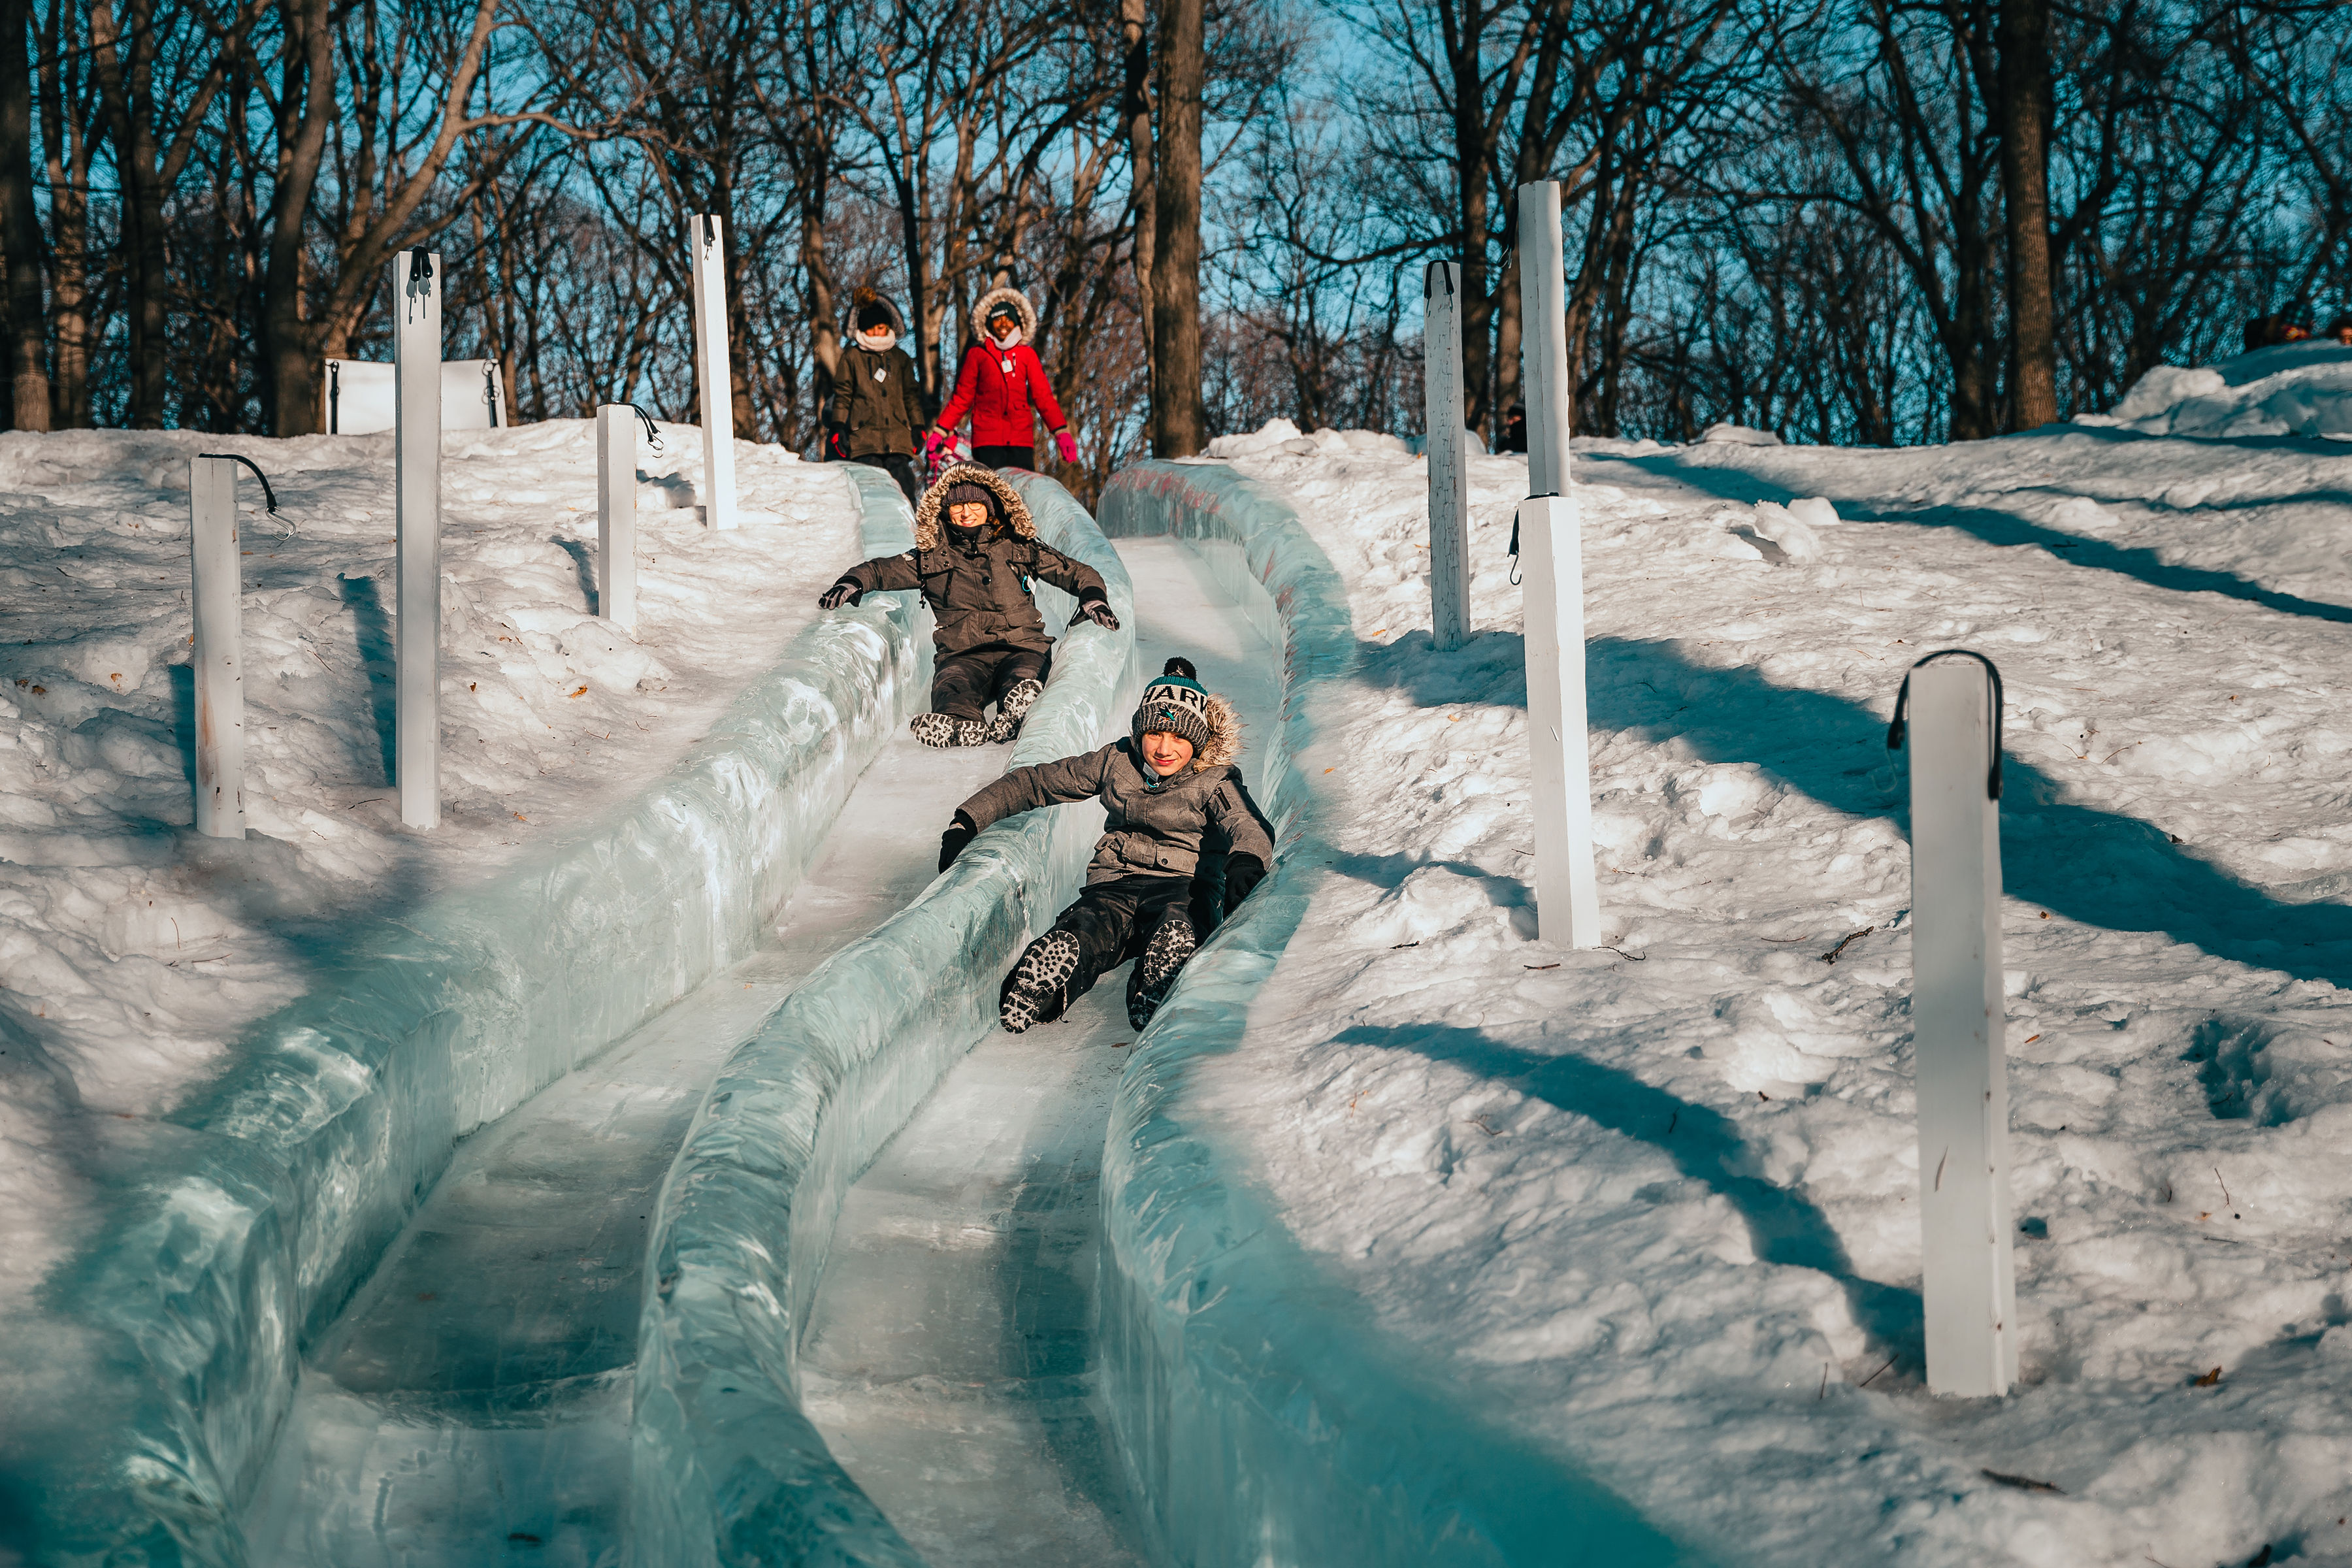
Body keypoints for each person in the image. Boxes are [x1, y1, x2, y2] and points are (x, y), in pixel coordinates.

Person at [938, 657, 1275, 1033]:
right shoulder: (1115, 761)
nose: (1164, 748)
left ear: (1196, 742)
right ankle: (1044, 988)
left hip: (1185, 885)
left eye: (1179, 737)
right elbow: (1037, 782)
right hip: (1115, 881)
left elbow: (1246, 823)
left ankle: (1156, 986)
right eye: (1154, 734)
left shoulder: (1215, 780)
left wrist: (1246, 861)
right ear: (1139, 733)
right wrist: (968, 819)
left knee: (1177, 926)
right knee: (1087, 927)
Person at [817, 463, 1118, 747]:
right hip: (961, 654)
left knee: (1021, 682)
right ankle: (960, 724)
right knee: (951, 689)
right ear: (945, 510)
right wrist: (852, 582)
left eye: (975, 504)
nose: (966, 513)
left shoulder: (1020, 546)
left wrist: (1093, 597)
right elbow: (881, 570)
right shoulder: (930, 556)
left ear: (991, 505)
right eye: (957, 505)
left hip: (1022, 647)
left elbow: (1075, 571)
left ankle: (1017, 712)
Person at [926, 285, 1079, 473]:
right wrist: (940, 431)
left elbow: (1043, 397)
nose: (1003, 324)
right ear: (990, 324)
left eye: (1008, 320)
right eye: (998, 320)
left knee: (1020, 495)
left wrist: (1061, 431)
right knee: (993, 495)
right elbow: (962, 398)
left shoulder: (1027, 355)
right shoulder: (977, 354)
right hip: (987, 441)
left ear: (1017, 324)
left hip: (1020, 440)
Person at [826, 287, 927, 505]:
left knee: (903, 482)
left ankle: (911, 524)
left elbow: (911, 396)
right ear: (862, 330)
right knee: (871, 486)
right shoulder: (853, 357)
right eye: (871, 329)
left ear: (889, 328)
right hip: (863, 437)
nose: (877, 334)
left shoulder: (901, 358)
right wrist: (837, 427)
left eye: (881, 328)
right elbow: (843, 394)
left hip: (898, 437)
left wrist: (918, 426)